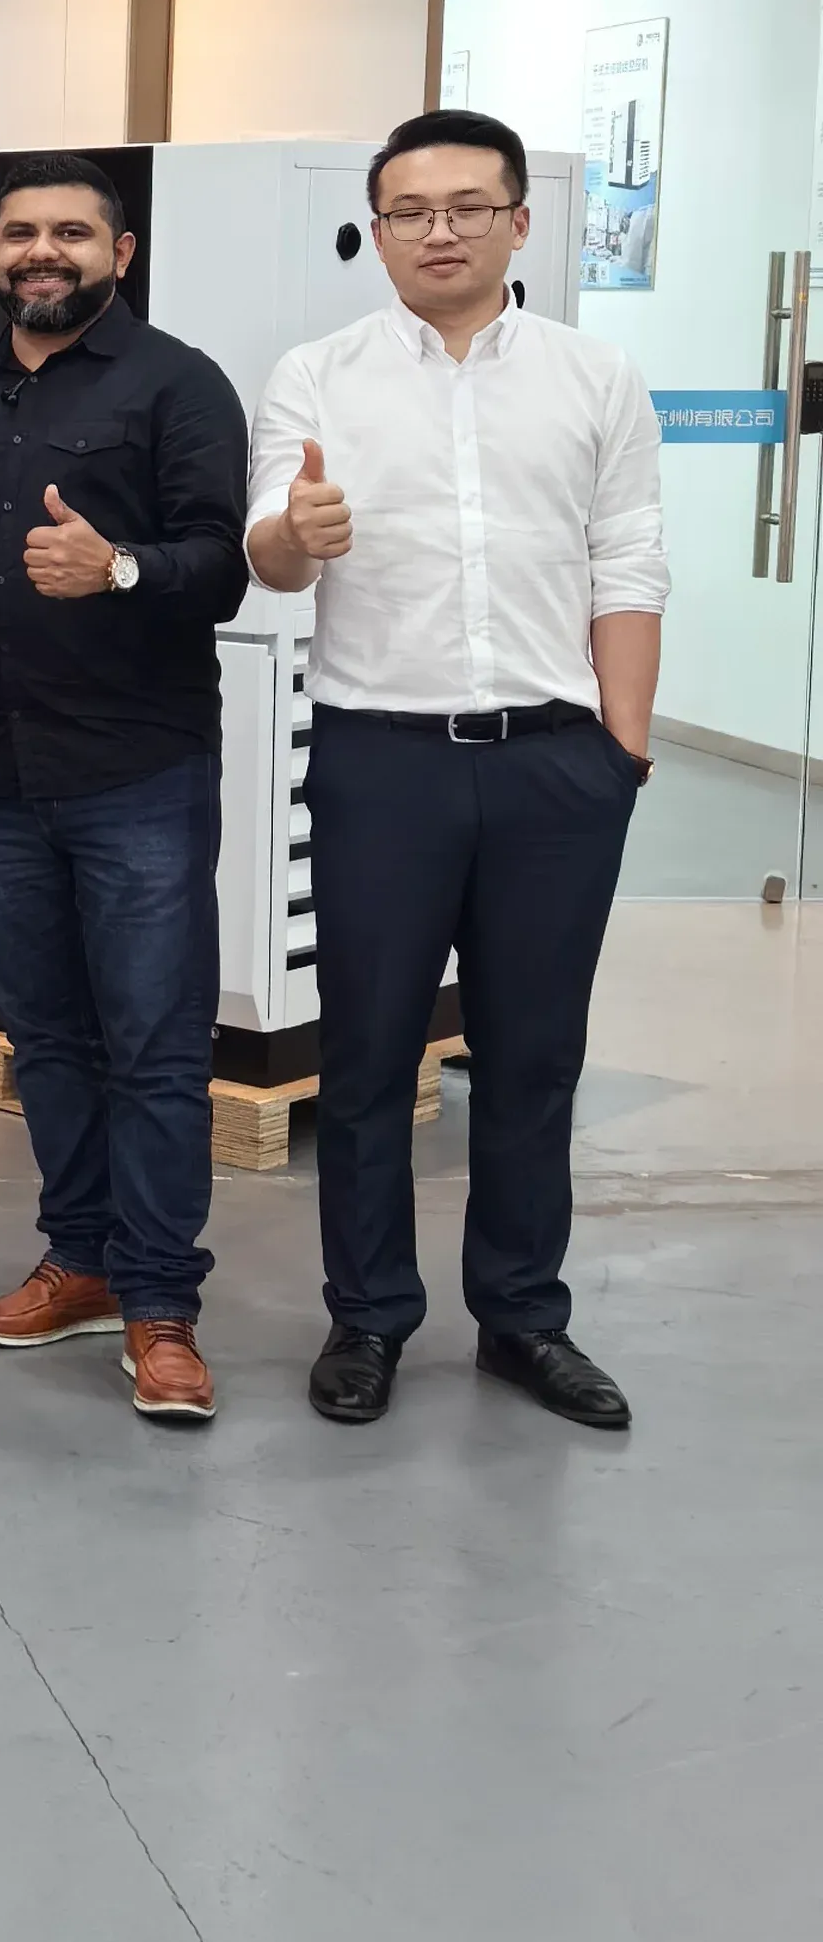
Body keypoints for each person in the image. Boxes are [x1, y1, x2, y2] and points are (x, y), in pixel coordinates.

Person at [247, 108, 663, 1432]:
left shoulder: (596, 376)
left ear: (517, 221)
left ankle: (524, 1317)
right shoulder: (317, 376)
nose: (440, 230)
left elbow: (630, 557)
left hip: (556, 768)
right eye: (410, 211)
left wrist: (623, 748)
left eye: (468, 206)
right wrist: (298, 532)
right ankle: (369, 1313)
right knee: (369, 1052)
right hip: (382, 762)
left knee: (534, 1056)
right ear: (377, 233)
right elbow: (268, 555)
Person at [0, 157, 251, 1424]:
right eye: (19, 232)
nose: (40, 251)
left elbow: (222, 564)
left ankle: (162, 1305)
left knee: (155, 1046)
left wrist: (119, 569)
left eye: (70, 232)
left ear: (122, 252)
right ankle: (85, 1260)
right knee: (46, 1037)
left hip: (139, 775)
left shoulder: (179, 385)